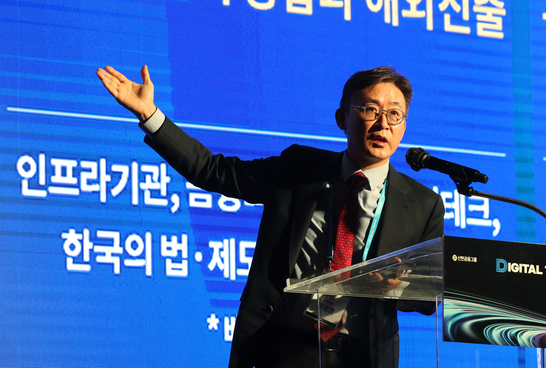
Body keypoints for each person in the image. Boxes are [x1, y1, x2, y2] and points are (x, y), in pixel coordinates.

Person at [96, 64, 445, 368]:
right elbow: (215, 171)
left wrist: (399, 288)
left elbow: (430, 295)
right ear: (342, 118)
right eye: (370, 109)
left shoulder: (423, 204)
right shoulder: (299, 168)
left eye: (395, 114)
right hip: (285, 348)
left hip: (362, 356)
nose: (383, 123)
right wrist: (150, 115)